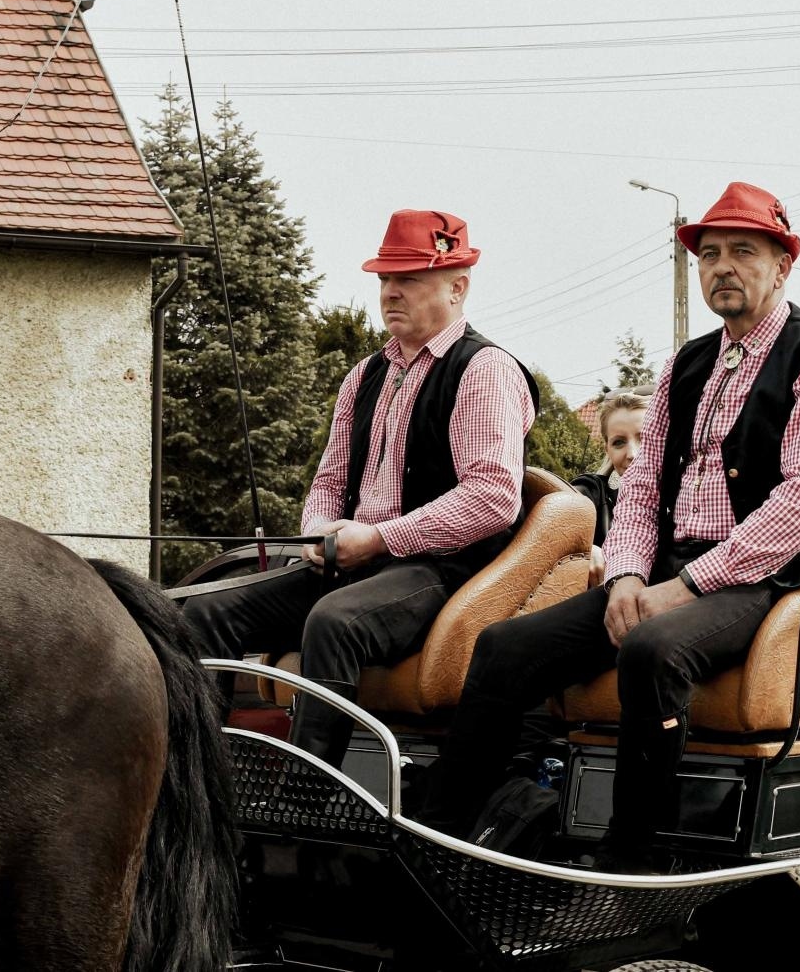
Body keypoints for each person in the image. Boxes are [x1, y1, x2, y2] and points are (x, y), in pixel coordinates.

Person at [418, 181, 800, 864]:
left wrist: (684, 586)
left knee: (652, 650)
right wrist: (629, 572)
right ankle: (446, 837)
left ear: (783, 266)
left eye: (743, 251)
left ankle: (632, 857)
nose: (722, 265)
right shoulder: (687, 364)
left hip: (765, 578)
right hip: (667, 570)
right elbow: (638, 488)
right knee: (503, 648)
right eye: (709, 252)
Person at [182, 209, 538, 769]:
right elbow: (329, 482)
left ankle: (310, 792)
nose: (391, 292)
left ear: (457, 287)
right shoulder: (365, 374)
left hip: (442, 569)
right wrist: (319, 531)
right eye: (385, 280)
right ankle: (199, 781)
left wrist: (379, 539)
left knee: (335, 620)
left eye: (409, 280)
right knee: (204, 614)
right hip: (354, 560)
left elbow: (492, 497)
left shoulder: (484, 369)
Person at [570, 391, 649, 588]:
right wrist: (585, 549)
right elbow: (550, 518)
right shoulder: (593, 491)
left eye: (645, 438)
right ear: (607, 449)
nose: (633, 453)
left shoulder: (689, 503)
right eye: (619, 442)